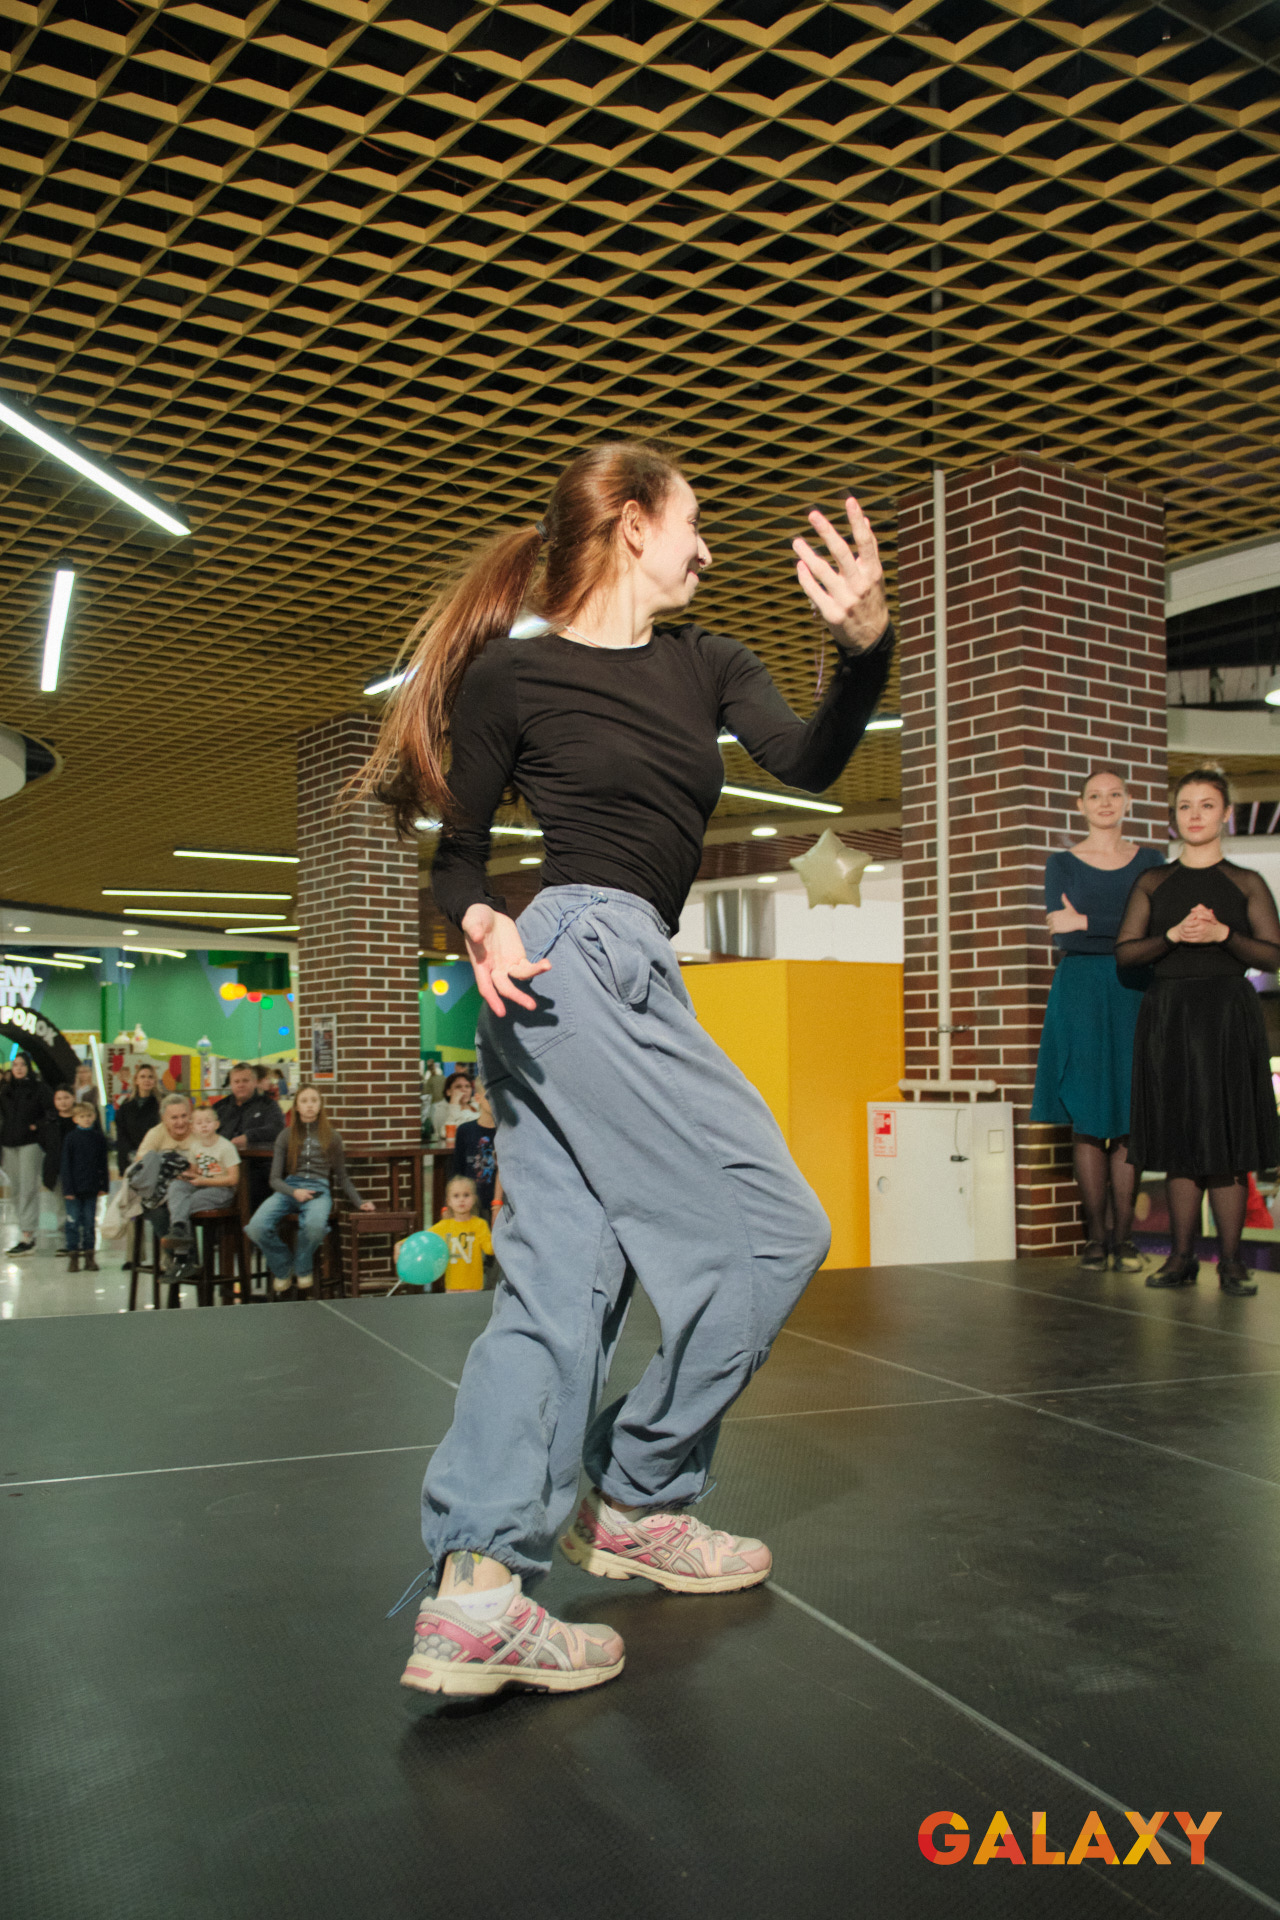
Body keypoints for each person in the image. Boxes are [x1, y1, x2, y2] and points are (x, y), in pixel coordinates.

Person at [354, 438, 892, 1696]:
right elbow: (457, 854)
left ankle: (477, 1595)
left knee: (559, 1282)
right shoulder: (512, 674)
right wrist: (473, 917)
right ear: (635, 524)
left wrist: (863, 648)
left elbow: (808, 761)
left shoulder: (709, 662)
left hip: (621, 964)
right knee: (773, 1228)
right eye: (693, 522)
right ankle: (640, 1492)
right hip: (564, 957)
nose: (707, 548)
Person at [1116, 768, 1280, 1296]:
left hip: (1228, 1016)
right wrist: (1173, 934)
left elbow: (1273, 957)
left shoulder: (1246, 882)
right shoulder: (1153, 881)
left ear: (1226, 814)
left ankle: (1231, 1262)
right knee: (1179, 1137)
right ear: (1174, 815)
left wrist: (1222, 933)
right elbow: (1126, 954)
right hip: (1169, 1016)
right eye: (1185, 805)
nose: (1194, 815)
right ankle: (1182, 1258)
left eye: (1207, 805)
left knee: (1227, 1138)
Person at [1030, 767, 1166, 1272]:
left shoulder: (1151, 862)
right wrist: (1122, 930)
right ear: (1081, 805)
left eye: (1114, 794)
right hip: (1080, 994)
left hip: (1134, 991)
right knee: (1087, 1119)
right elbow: (1063, 935)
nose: (1105, 803)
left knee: (1130, 1118)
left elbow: (1158, 930)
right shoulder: (1061, 864)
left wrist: (1088, 921)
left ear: (1128, 802)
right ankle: (1096, 1240)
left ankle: (1126, 1240)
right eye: (1094, 795)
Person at [246, 1085, 375, 1297]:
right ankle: (283, 1266)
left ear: (320, 1105)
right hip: (289, 1188)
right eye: (304, 1101)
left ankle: (302, 1266)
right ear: (296, 1107)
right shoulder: (285, 1136)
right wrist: (293, 1192)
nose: (309, 1105)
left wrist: (359, 1201)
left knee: (315, 1226)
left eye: (314, 1100)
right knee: (256, 1227)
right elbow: (274, 1180)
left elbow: (342, 1176)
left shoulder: (332, 1137)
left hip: (319, 1190)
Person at [129, 1095, 240, 1288]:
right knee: (159, 1209)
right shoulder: (155, 1133)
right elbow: (143, 1163)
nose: (180, 1122)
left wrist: (191, 1175)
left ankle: (183, 1260)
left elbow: (213, 1167)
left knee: (176, 1206)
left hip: (203, 1188)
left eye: (184, 1116)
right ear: (164, 1119)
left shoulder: (202, 1132)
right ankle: (184, 1259)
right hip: (161, 1190)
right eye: (174, 1118)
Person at [1, 1052, 54, 1254]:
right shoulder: (6, 1091)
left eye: (22, 1064)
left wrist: (37, 1126)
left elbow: (51, 1112)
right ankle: (25, 1229)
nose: (19, 1068)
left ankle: (28, 1235)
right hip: (9, 1144)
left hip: (30, 1144)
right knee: (15, 1188)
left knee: (28, 1188)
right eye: (15, 1065)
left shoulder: (39, 1089)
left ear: (28, 1067)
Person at [214, 1061, 283, 1212]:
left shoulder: (268, 1105)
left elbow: (277, 1129)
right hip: (221, 1168)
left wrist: (249, 1137)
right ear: (231, 1084)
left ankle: (250, 1225)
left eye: (245, 1081)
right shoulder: (219, 1108)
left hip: (257, 1166)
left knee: (252, 1185)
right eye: (236, 1081)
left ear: (255, 1082)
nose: (241, 1085)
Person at [61, 1103, 110, 1273]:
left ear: (94, 1117)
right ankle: (73, 1256)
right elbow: (66, 1164)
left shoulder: (98, 1138)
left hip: (91, 1187)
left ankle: (90, 1256)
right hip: (74, 1189)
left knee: (89, 1222)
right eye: (82, 1116)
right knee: (73, 1222)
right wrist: (67, 1189)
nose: (86, 1119)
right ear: (75, 1119)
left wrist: (104, 1185)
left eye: (89, 1116)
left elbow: (103, 1163)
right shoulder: (71, 1138)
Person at [424, 1176, 494, 1292]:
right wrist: (402, 1243)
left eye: (466, 1195)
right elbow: (423, 1238)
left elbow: (490, 1249)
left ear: (474, 1199)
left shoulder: (480, 1225)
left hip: (473, 1287)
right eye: (456, 1196)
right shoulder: (444, 1226)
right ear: (449, 1201)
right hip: (452, 1286)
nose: (461, 1200)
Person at [453, 1079, 501, 1219]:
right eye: (489, 1097)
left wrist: (498, 1203)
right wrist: (447, 1204)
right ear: (478, 1098)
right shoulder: (465, 1130)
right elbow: (457, 1169)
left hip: (497, 1202)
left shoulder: (504, 1133)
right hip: (470, 1202)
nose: (494, 1102)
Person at [114, 1063, 161, 1176]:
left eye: (150, 1077)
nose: (147, 1080)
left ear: (155, 1081)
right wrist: (123, 1161)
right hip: (131, 1156)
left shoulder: (161, 1104)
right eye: (142, 1077)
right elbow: (121, 1134)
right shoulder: (126, 1105)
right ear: (136, 1080)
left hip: (155, 1155)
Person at [430, 1071, 478, 1147]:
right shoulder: (440, 1109)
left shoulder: (477, 1106)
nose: (464, 1090)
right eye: (458, 1087)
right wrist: (454, 1103)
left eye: (467, 1086)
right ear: (448, 1092)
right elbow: (445, 1133)